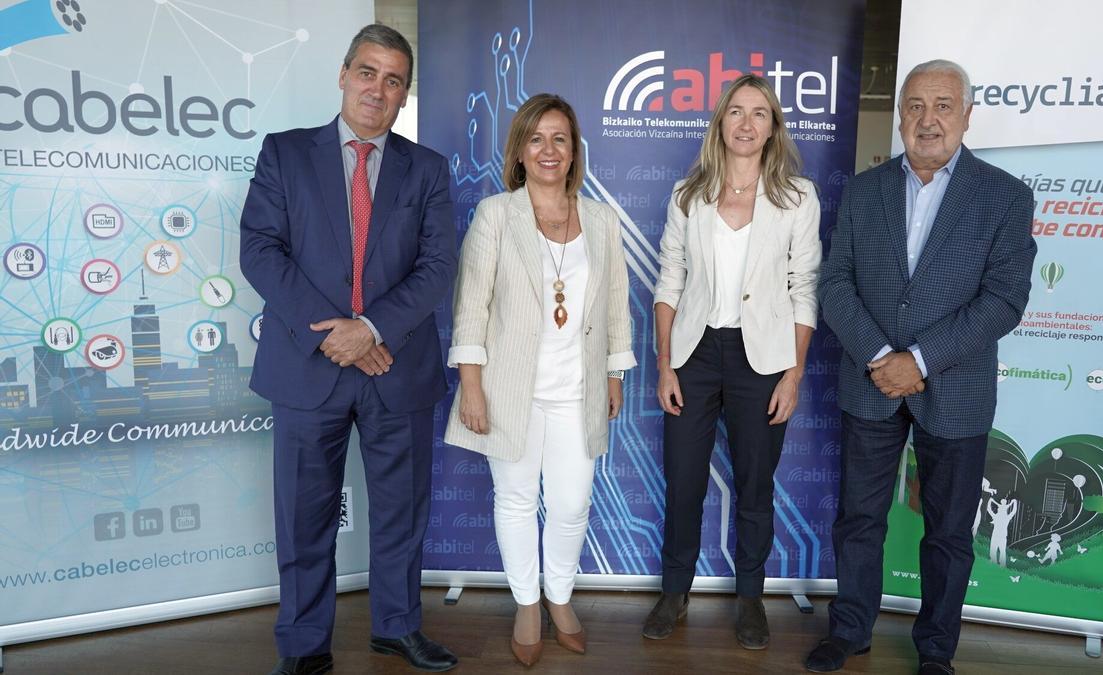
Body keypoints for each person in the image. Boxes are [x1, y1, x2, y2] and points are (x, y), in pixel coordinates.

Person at [240, 24, 459, 675]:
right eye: (368, 72)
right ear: (343, 74)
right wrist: (339, 330)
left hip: (398, 365)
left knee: (402, 514)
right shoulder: (285, 154)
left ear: (404, 94)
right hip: (310, 367)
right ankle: (305, 644)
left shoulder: (429, 169)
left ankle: (396, 626)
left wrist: (371, 329)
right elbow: (260, 251)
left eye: (394, 80)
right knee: (305, 517)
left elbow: (438, 265)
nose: (378, 89)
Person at [806, 59, 1036, 675]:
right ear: (901, 116)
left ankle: (936, 648)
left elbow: (1004, 300)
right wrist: (884, 358)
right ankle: (850, 629)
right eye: (913, 105)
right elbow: (834, 285)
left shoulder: (1005, 196)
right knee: (859, 519)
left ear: (966, 115)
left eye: (941, 105)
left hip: (955, 389)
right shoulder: (863, 191)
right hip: (873, 383)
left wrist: (923, 361)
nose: (926, 119)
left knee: (948, 533)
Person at [442, 93, 635, 667]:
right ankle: (528, 602)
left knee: (573, 503)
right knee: (517, 500)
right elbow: (471, 305)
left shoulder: (601, 220)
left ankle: (560, 595)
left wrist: (615, 375)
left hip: (579, 391)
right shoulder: (496, 214)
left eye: (560, 138)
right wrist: (471, 386)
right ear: (520, 151)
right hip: (508, 391)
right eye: (536, 139)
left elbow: (617, 305)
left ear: (574, 151)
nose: (549, 150)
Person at [642, 74, 821, 651]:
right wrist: (665, 364)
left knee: (754, 484)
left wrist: (792, 374)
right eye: (736, 112)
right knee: (684, 481)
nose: (747, 124)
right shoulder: (686, 195)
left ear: (774, 127)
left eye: (760, 114)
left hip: (763, 359)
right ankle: (675, 590)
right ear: (720, 121)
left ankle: (750, 599)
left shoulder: (798, 198)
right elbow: (669, 279)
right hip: (694, 355)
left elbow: (803, 288)